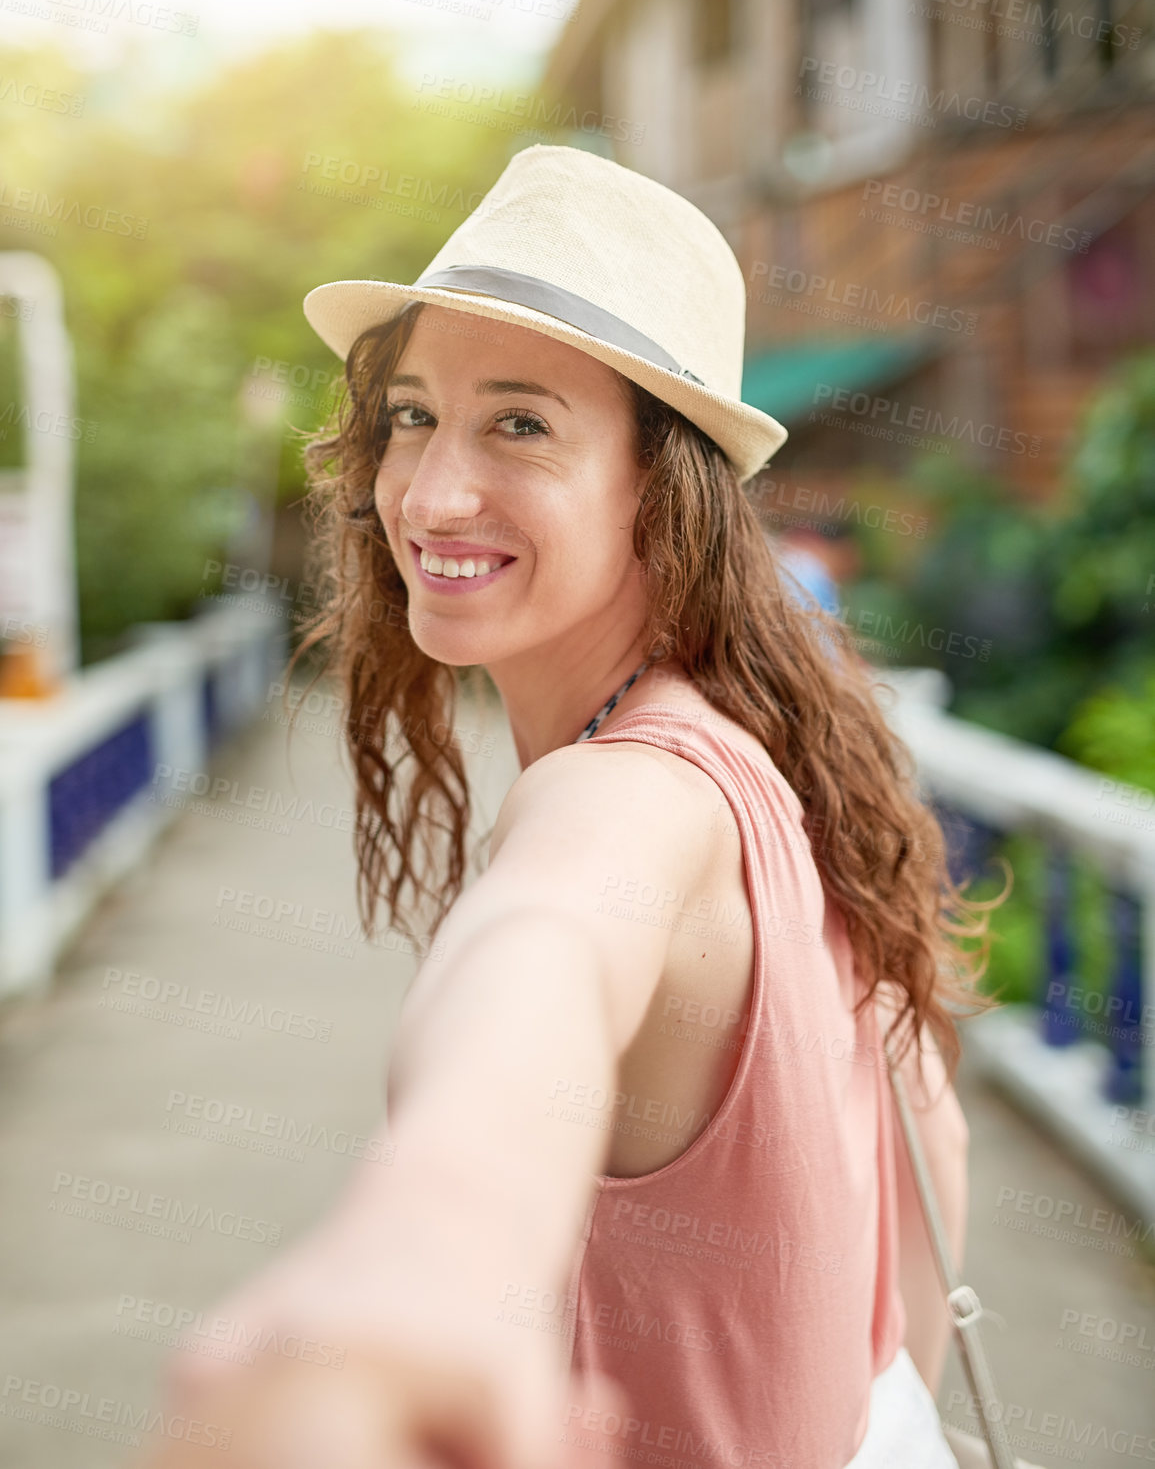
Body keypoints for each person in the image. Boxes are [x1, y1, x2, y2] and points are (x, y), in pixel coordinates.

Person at [149, 145, 995, 1469]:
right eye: (415, 413)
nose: (427, 494)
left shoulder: (628, 795)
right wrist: (875, 1421)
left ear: (666, 487)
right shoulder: (771, 736)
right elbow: (925, 1133)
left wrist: (421, 1247)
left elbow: (543, 944)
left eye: (523, 424)